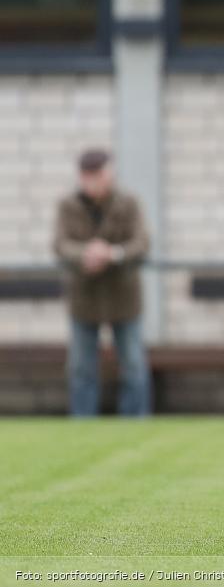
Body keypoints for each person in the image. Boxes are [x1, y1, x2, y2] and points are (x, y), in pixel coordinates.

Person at [52, 149, 152, 416]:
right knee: (81, 367)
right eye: (89, 175)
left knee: (133, 364)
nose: (94, 180)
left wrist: (112, 254)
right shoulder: (68, 205)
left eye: (100, 174)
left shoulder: (128, 203)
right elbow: (61, 244)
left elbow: (141, 243)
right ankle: (83, 425)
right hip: (85, 297)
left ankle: (135, 422)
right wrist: (86, 253)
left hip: (123, 295)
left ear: (110, 174)